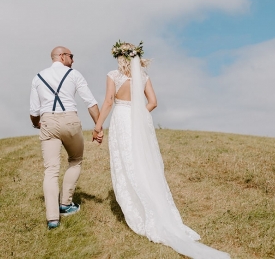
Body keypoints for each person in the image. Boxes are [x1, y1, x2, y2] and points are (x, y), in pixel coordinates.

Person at [93, 41, 230, 259]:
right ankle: (154, 203)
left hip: (121, 120)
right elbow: (153, 102)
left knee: (126, 162)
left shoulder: (113, 75)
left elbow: (109, 101)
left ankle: (138, 207)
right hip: (137, 121)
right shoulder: (143, 77)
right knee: (142, 162)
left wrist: (98, 126)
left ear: (119, 57)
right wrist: (139, 115)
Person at [29, 46, 102, 230]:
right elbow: (90, 102)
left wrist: (37, 124)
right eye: (71, 56)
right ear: (62, 56)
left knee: (51, 170)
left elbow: (34, 111)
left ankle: (52, 219)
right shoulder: (74, 75)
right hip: (70, 121)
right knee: (76, 160)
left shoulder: (38, 77)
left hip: (48, 121)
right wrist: (98, 127)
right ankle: (65, 204)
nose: (73, 60)